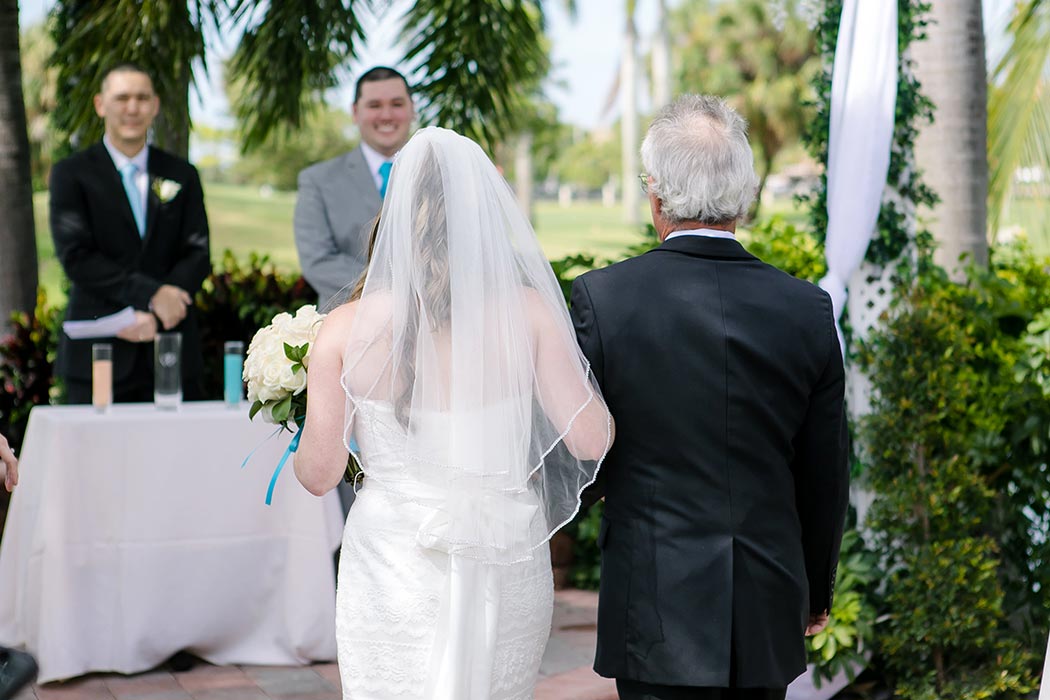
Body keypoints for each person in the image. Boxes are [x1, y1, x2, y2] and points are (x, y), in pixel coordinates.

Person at [293, 126, 613, 700]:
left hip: (394, 560)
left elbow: (318, 474)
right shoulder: (531, 314)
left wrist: (301, 417)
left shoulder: (342, 330)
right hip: (505, 550)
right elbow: (592, 439)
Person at [570, 95, 849, 700]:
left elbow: (581, 458)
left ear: (656, 195)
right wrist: (815, 591)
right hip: (766, 594)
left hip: (653, 600)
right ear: (744, 195)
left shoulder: (602, 300)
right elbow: (824, 473)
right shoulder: (807, 308)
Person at [50, 63, 211, 404]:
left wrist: (163, 306)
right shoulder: (71, 174)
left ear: (154, 106)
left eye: (142, 98)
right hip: (99, 355)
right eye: (122, 98)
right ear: (100, 104)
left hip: (172, 353)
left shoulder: (182, 173)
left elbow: (197, 251)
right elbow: (77, 257)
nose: (132, 108)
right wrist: (153, 296)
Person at [294, 66, 415, 310]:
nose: (386, 115)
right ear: (355, 112)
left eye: (397, 104)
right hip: (347, 329)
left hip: (434, 333)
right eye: (374, 106)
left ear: (412, 109)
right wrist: (404, 291)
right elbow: (319, 261)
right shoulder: (317, 180)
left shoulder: (439, 177)